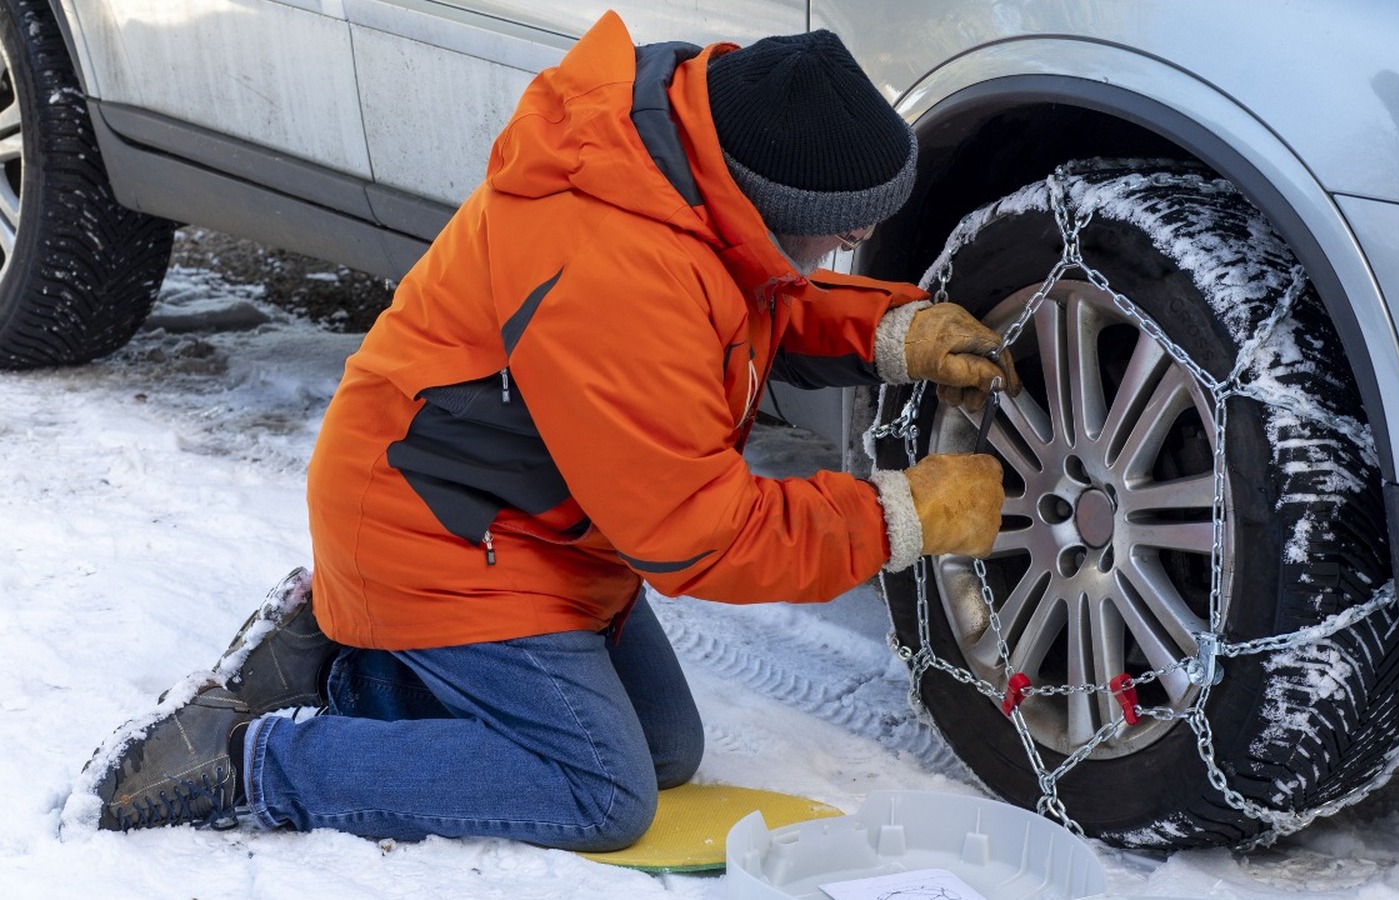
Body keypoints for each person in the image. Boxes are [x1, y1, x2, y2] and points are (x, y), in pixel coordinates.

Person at [89, 11, 1018, 849]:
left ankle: (350, 664)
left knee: (666, 748)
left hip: (534, 528)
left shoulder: (682, 164)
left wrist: (893, 332)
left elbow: (755, 292)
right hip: (440, 536)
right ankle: (253, 758)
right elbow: (699, 535)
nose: (843, 255)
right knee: (602, 792)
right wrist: (903, 516)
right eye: (835, 237)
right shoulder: (618, 271)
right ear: (769, 205)